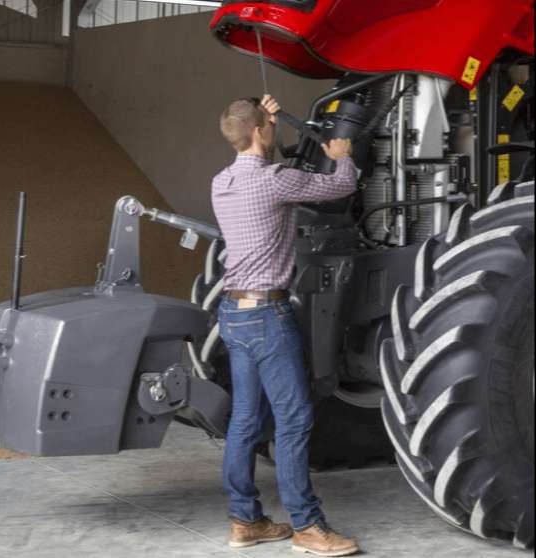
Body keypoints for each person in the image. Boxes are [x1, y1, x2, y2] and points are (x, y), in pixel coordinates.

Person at [211, 94, 360, 557]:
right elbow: (340, 189)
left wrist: (266, 117)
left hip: (233, 313)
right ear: (259, 131)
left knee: (245, 421)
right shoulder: (274, 180)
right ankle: (307, 526)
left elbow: (262, 149)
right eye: (268, 126)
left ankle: (245, 521)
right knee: (294, 419)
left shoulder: (221, 181)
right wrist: (342, 157)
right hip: (267, 317)